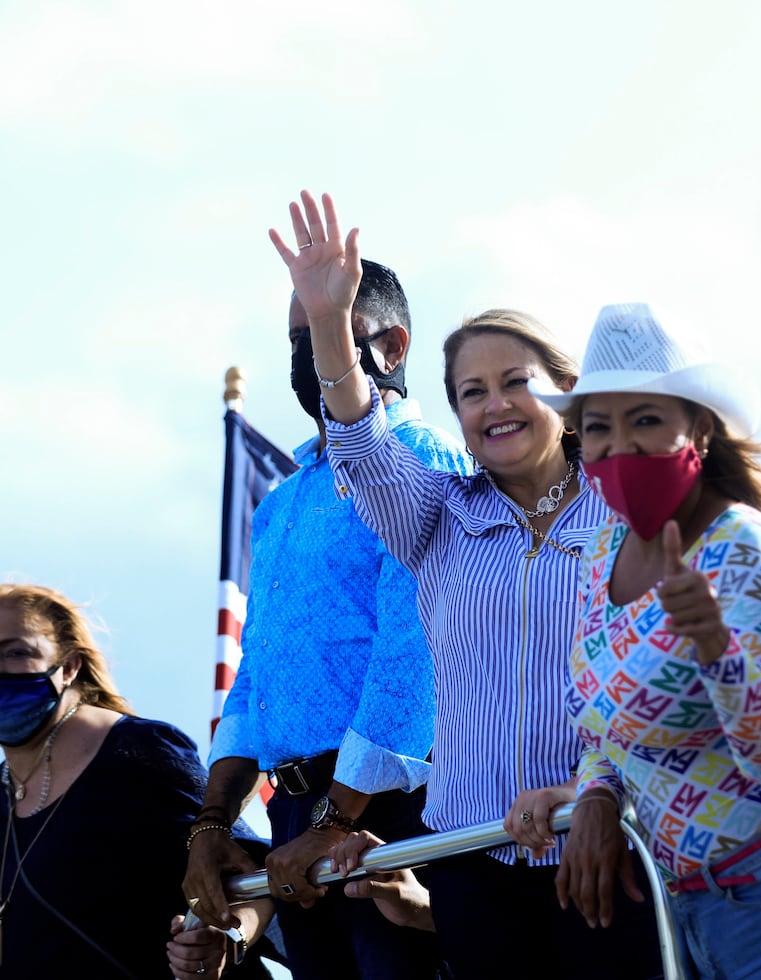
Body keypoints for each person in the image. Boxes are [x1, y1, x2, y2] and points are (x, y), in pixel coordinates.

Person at [267, 190, 665, 980]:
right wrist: (329, 325)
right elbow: (361, 441)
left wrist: (600, 798)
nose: (493, 405)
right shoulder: (435, 516)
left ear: (565, 394)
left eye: (513, 382)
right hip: (471, 861)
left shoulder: (631, 512)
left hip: (609, 843)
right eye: (470, 392)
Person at [522, 301, 761, 979]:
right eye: (597, 428)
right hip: (685, 912)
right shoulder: (600, 552)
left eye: (645, 419)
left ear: (699, 430)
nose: (620, 446)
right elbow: (603, 725)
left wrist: (713, 646)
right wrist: (596, 797)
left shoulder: (751, 552)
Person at [182, 260, 471, 980]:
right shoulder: (280, 501)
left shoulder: (422, 459)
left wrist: (335, 823)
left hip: (391, 820)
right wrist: (214, 823)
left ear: (393, 347)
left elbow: (414, 661)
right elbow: (257, 673)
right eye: (295, 342)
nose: (308, 359)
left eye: (324, 332)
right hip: (296, 824)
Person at [0, 582, 282, 980]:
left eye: (15, 653)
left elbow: (254, 872)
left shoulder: (137, 752)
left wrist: (228, 938)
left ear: (69, 667)